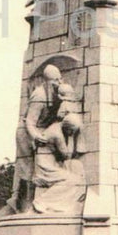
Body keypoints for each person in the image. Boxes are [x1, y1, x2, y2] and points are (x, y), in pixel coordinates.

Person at [9, 64, 63, 212]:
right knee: (27, 168)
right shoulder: (39, 95)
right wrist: (36, 137)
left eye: (59, 80)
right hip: (26, 133)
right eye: (54, 82)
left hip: (41, 129)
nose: (58, 84)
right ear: (47, 81)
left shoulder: (58, 93)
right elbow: (30, 122)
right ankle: (22, 204)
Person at [31, 84, 87, 215]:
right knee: (75, 181)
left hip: (49, 164)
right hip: (45, 168)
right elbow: (67, 155)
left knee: (76, 179)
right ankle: (43, 202)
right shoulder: (57, 134)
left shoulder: (56, 127)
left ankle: (56, 204)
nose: (71, 133)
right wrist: (73, 138)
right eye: (72, 131)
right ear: (68, 128)